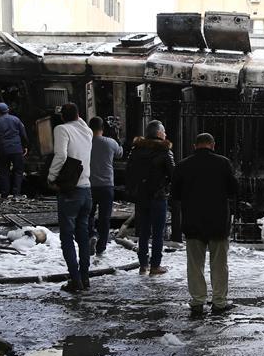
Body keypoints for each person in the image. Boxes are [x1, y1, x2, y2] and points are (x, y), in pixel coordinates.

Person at [171, 133, 239, 315]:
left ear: (195, 145)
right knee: (219, 265)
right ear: (213, 145)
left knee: (194, 265)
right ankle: (219, 302)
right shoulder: (223, 163)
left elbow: (175, 194)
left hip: (193, 221)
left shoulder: (183, 165)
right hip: (218, 221)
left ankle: (198, 301)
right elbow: (234, 190)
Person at [47, 103, 93, 293]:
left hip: (70, 190)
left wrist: (51, 176)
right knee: (83, 235)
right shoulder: (87, 131)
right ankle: (85, 277)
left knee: (67, 236)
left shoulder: (61, 129)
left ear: (62, 117)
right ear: (79, 115)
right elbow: (80, 122)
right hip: (86, 189)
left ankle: (75, 280)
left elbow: (61, 154)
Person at [127, 120, 175, 275]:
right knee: (158, 232)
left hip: (141, 195)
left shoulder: (135, 151)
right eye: (164, 131)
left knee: (143, 232)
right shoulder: (165, 151)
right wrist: (166, 186)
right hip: (158, 196)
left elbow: (129, 172)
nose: (166, 134)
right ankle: (155, 265)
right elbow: (173, 174)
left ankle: (143, 264)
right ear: (159, 133)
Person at [87, 117, 123, 257]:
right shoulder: (110, 142)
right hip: (107, 185)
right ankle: (101, 247)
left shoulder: (85, 142)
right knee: (105, 217)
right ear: (103, 128)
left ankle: (91, 235)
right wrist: (117, 137)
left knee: (88, 214)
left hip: (89, 185)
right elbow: (120, 153)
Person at [0, 102, 29, 200]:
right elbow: (23, 134)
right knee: (18, 171)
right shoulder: (16, 120)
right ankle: (16, 194)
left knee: (4, 172)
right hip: (16, 149)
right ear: (8, 110)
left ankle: (4, 194)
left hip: (3, 150)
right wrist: (25, 146)